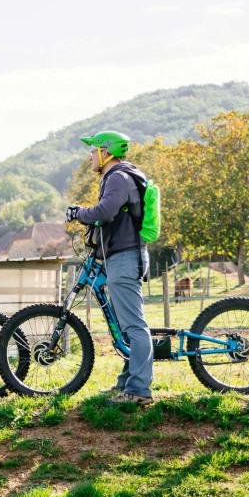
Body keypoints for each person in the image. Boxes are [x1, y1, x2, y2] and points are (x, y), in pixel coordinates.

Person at [66, 130, 154, 405]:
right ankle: (127, 384)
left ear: (105, 152)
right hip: (123, 255)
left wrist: (79, 212)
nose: (90, 156)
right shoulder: (121, 176)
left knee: (134, 326)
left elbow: (105, 212)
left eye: (93, 151)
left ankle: (139, 391)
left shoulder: (117, 177)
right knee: (128, 326)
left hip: (125, 257)